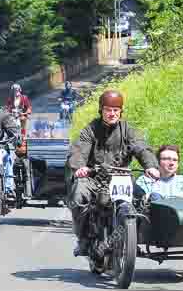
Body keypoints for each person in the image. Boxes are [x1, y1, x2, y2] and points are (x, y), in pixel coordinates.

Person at [66, 89, 160, 256]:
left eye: (115, 110)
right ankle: (84, 239)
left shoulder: (128, 131)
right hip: (93, 178)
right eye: (108, 110)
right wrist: (80, 167)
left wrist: (150, 166)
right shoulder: (91, 130)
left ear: (120, 111)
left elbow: (141, 147)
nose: (111, 113)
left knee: (142, 200)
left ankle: (132, 240)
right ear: (101, 110)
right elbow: (79, 150)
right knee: (79, 196)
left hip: (121, 178)